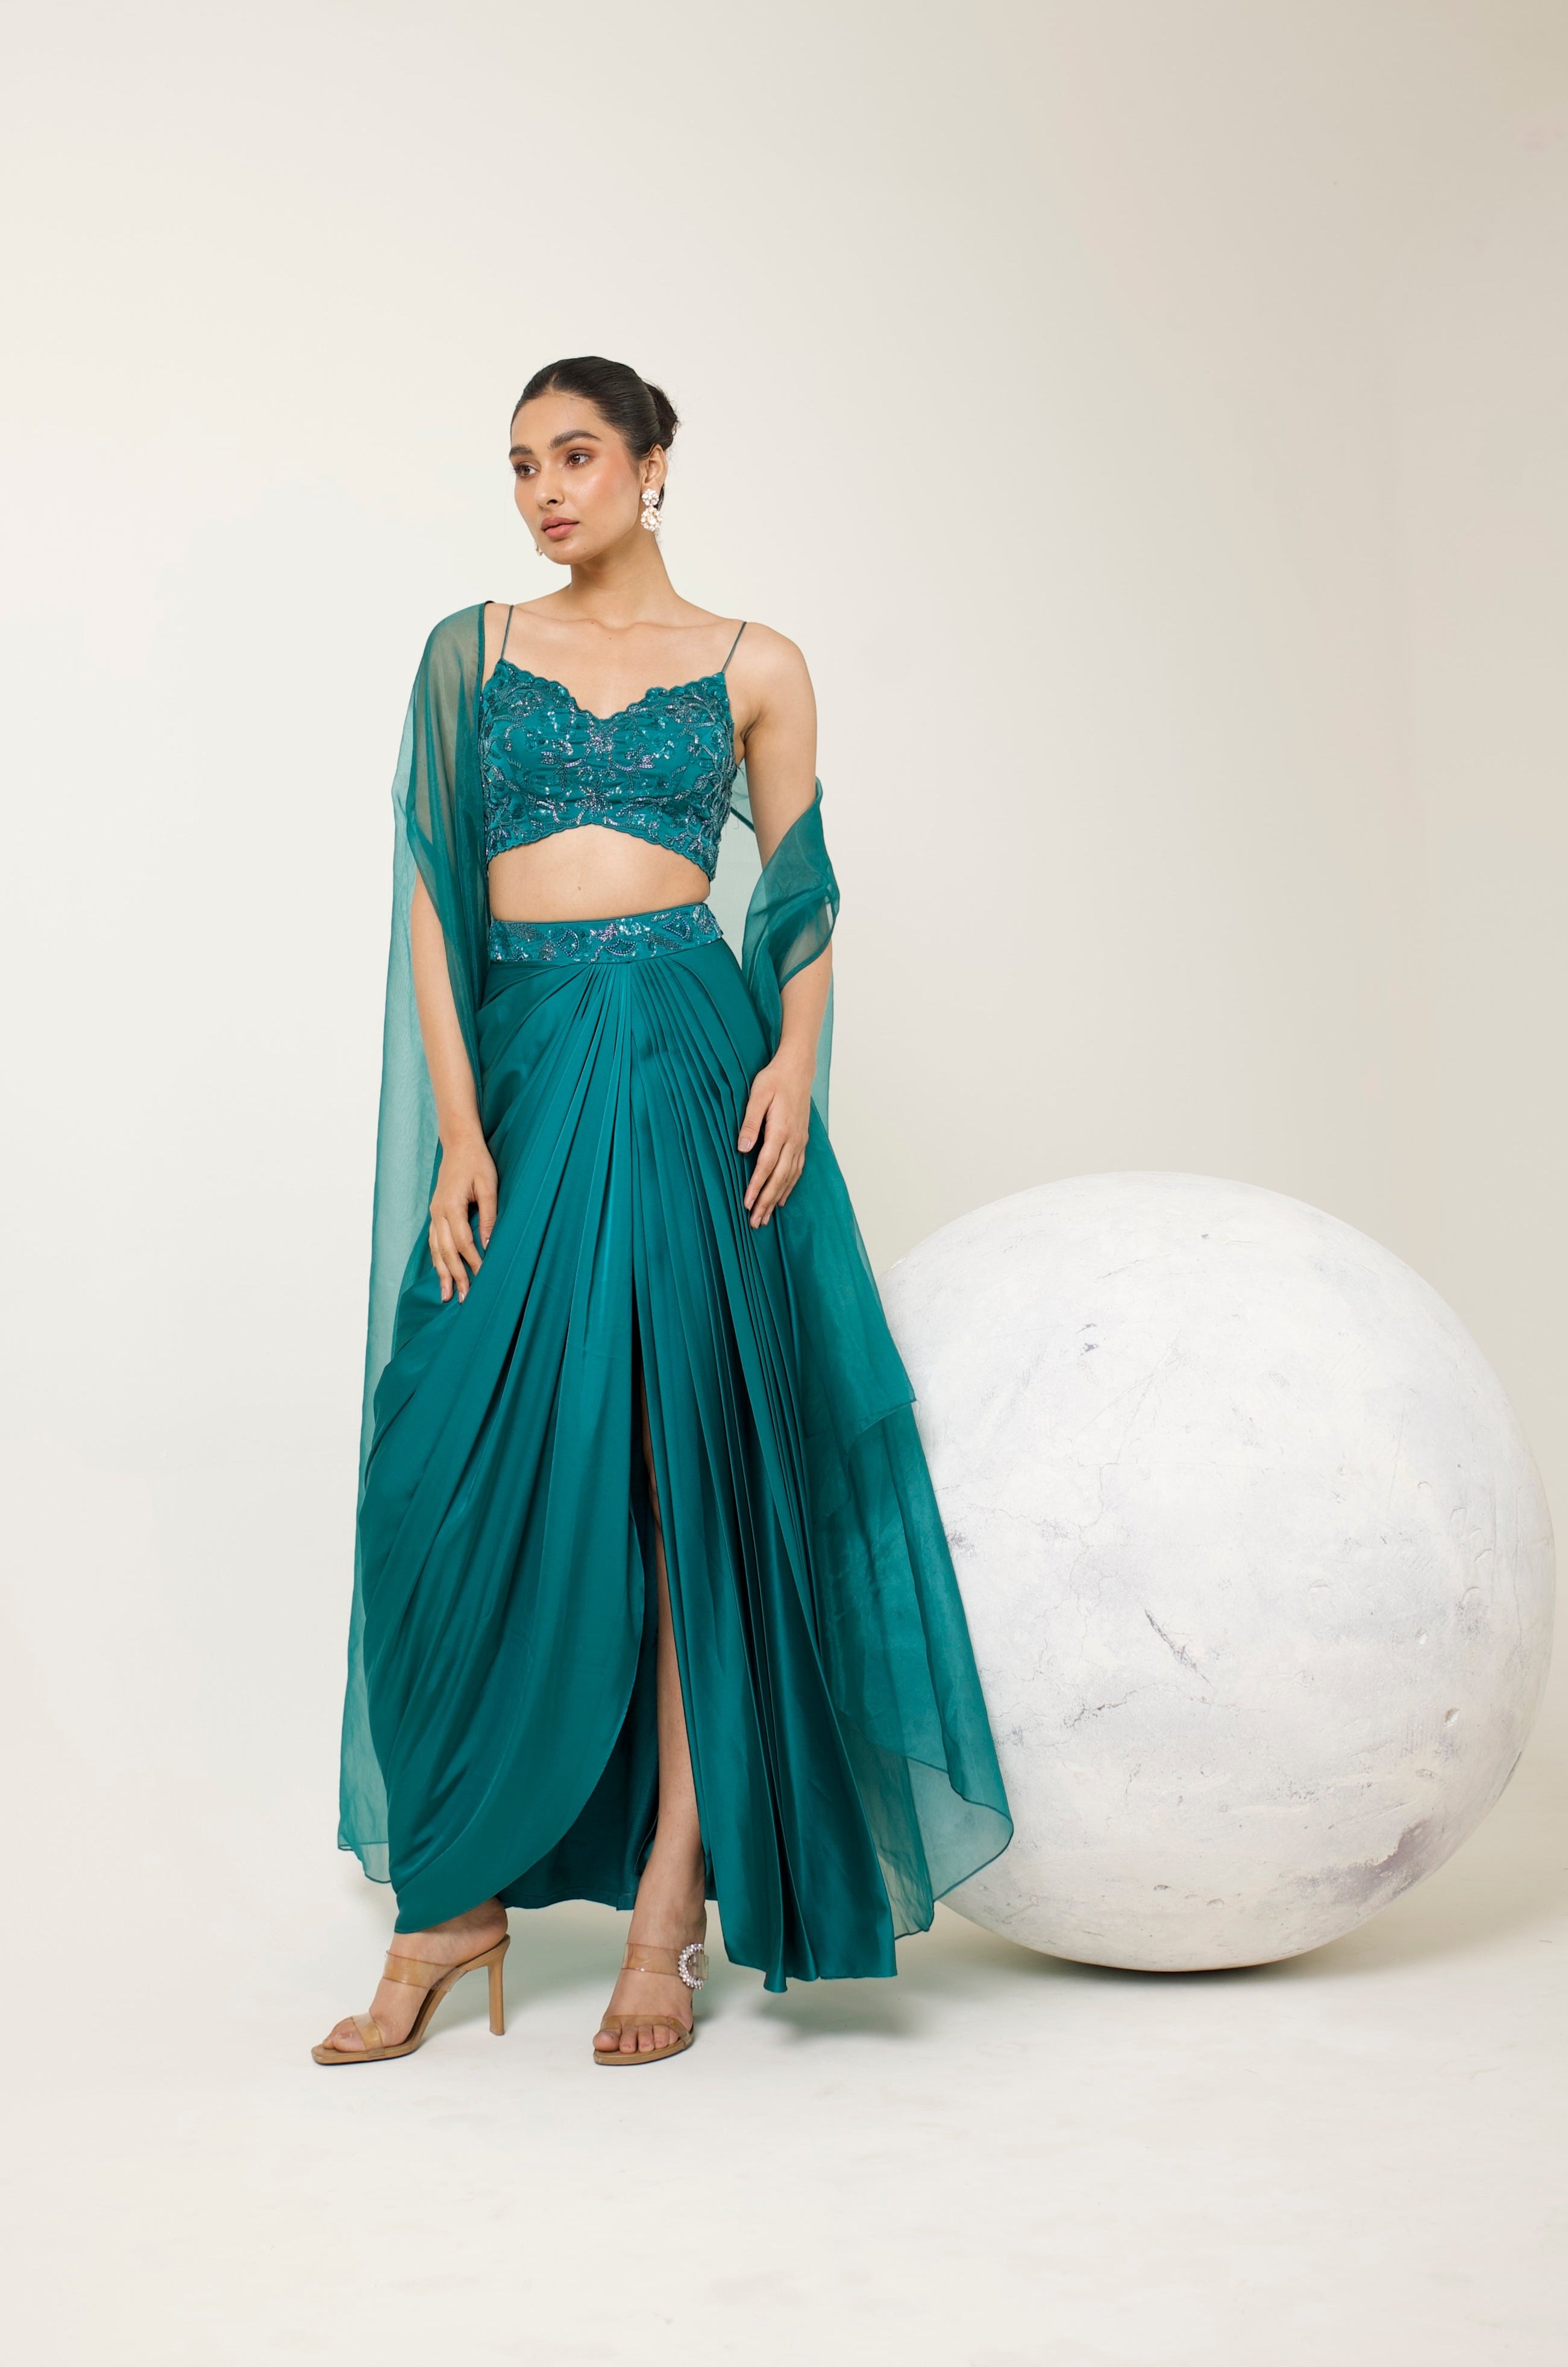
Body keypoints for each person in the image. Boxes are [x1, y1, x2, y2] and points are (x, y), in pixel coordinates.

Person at [314, 356, 1011, 2069]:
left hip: (695, 1064)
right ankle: (451, 1904)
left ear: (653, 466)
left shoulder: (755, 663)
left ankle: (664, 1912)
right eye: (521, 465)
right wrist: (458, 1131)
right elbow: (430, 892)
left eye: (575, 457)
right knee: (439, 1481)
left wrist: (794, 1064)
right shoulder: (469, 651)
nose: (545, 492)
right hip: (527, 1068)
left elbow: (801, 892)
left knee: (684, 1478)